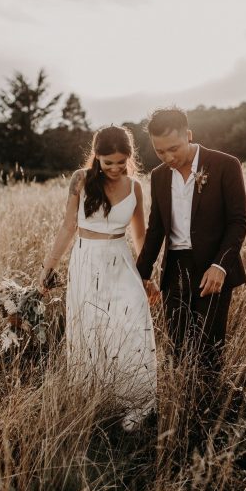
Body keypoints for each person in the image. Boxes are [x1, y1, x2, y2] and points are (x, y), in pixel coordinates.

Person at [39, 125, 157, 431]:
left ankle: (136, 400)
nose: (116, 168)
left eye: (121, 161)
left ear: (129, 158)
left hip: (122, 262)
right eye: (109, 163)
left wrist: (147, 275)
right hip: (86, 259)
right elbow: (68, 227)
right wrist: (49, 266)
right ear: (97, 158)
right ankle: (94, 397)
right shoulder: (80, 180)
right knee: (91, 324)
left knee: (130, 322)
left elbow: (140, 235)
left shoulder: (135, 187)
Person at [136, 107, 246, 371]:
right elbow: (156, 229)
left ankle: (209, 408)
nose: (168, 157)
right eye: (160, 151)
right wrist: (141, 273)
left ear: (188, 135)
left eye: (174, 148)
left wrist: (220, 265)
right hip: (174, 269)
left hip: (212, 268)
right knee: (177, 349)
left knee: (209, 351)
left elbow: (238, 221)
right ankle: (182, 406)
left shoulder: (225, 165)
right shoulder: (158, 176)